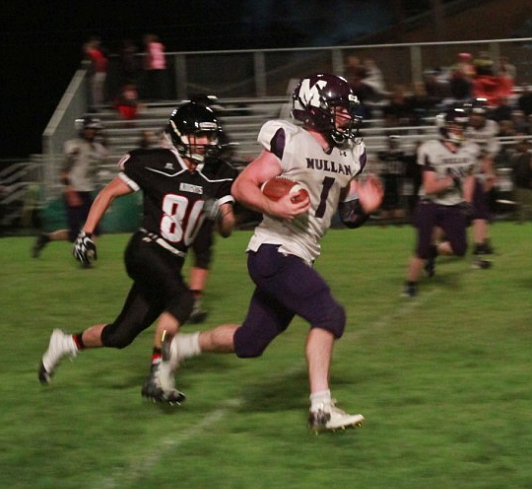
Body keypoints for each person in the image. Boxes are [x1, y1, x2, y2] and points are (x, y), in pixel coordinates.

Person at [158, 73, 383, 432]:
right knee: (329, 315)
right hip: (274, 250)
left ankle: (178, 349)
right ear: (317, 110)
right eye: (339, 110)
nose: (346, 117)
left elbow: (348, 216)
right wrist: (271, 205)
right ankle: (321, 409)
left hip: (299, 254)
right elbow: (242, 184)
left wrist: (366, 207)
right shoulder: (289, 140)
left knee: (250, 342)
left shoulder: (349, 154)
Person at [37, 102, 236, 404]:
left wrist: (219, 213)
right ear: (181, 135)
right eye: (200, 135)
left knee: (121, 335)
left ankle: (65, 343)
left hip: (171, 263)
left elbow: (227, 228)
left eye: (210, 136)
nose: (207, 142)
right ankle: (158, 375)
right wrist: (86, 233)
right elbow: (108, 192)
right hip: (145, 249)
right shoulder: (155, 162)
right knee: (184, 300)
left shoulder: (218, 173)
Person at [402, 107, 479, 298]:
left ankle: (434, 251)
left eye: (461, 126)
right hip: (430, 203)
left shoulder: (470, 149)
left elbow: (469, 176)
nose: (458, 130)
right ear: (445, 127)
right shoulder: (430, 148)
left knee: (460, 249)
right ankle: (410, 285)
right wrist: (452, 179)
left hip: (453, 204)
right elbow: (429, 187)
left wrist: (467, 201)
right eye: (454, 126)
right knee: (421, 247)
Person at [32, 116, 108, 262]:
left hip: (88, 190)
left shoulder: (97, 148)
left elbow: (96, 163)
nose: (91, 132)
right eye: (88, 129)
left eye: (93, 130)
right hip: (74, 191)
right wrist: (70, 191)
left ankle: (88, 254)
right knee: (74, 234)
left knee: (95, 228)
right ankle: (46, 238)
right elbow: (64, 172)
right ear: (82, 130)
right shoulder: (74, 146)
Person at [464, 98, 499, 263]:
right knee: (474, 213)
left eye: (479, 114)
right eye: (473, 114)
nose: (476, 117)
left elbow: (488, 156)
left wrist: (489, 173)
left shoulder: (490, 129)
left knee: (480, 212)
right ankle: (480, 244)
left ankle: (483, 242)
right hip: (463, 175)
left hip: (477, 174)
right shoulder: (462, 128)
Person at [510, 135, 532, 222]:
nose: (521, 146)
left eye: (523, 144)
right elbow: (514, 169)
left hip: (528, 183)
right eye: (520, 144)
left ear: (527, 146)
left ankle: (527, 219)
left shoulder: (530, 156)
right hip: (519, 182)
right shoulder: (516, 156)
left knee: (528, 202)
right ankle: (521, 220)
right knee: (520, 203)